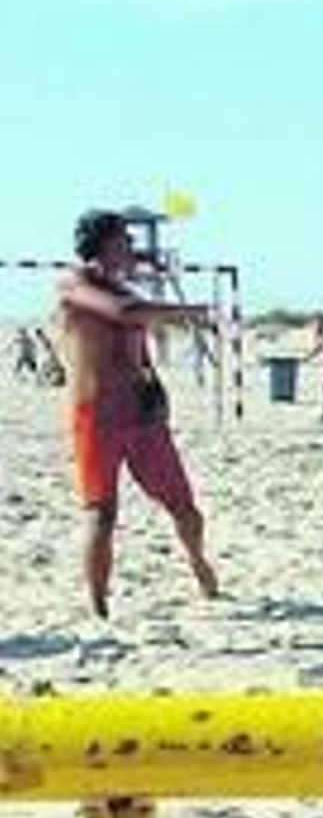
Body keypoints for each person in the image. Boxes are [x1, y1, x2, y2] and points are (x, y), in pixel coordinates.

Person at [57, 209, 219, 617]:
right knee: (102, 513)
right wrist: (190, 311)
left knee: (184, 505)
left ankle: (200, 564)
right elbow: (123, 313)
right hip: (95, 414)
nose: (132, 246)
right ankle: (98, 606)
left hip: (140, 413)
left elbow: (138, 343)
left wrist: (155, 387)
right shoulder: (74, 283)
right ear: (105, 243)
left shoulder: (122, 287)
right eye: (124, 240)